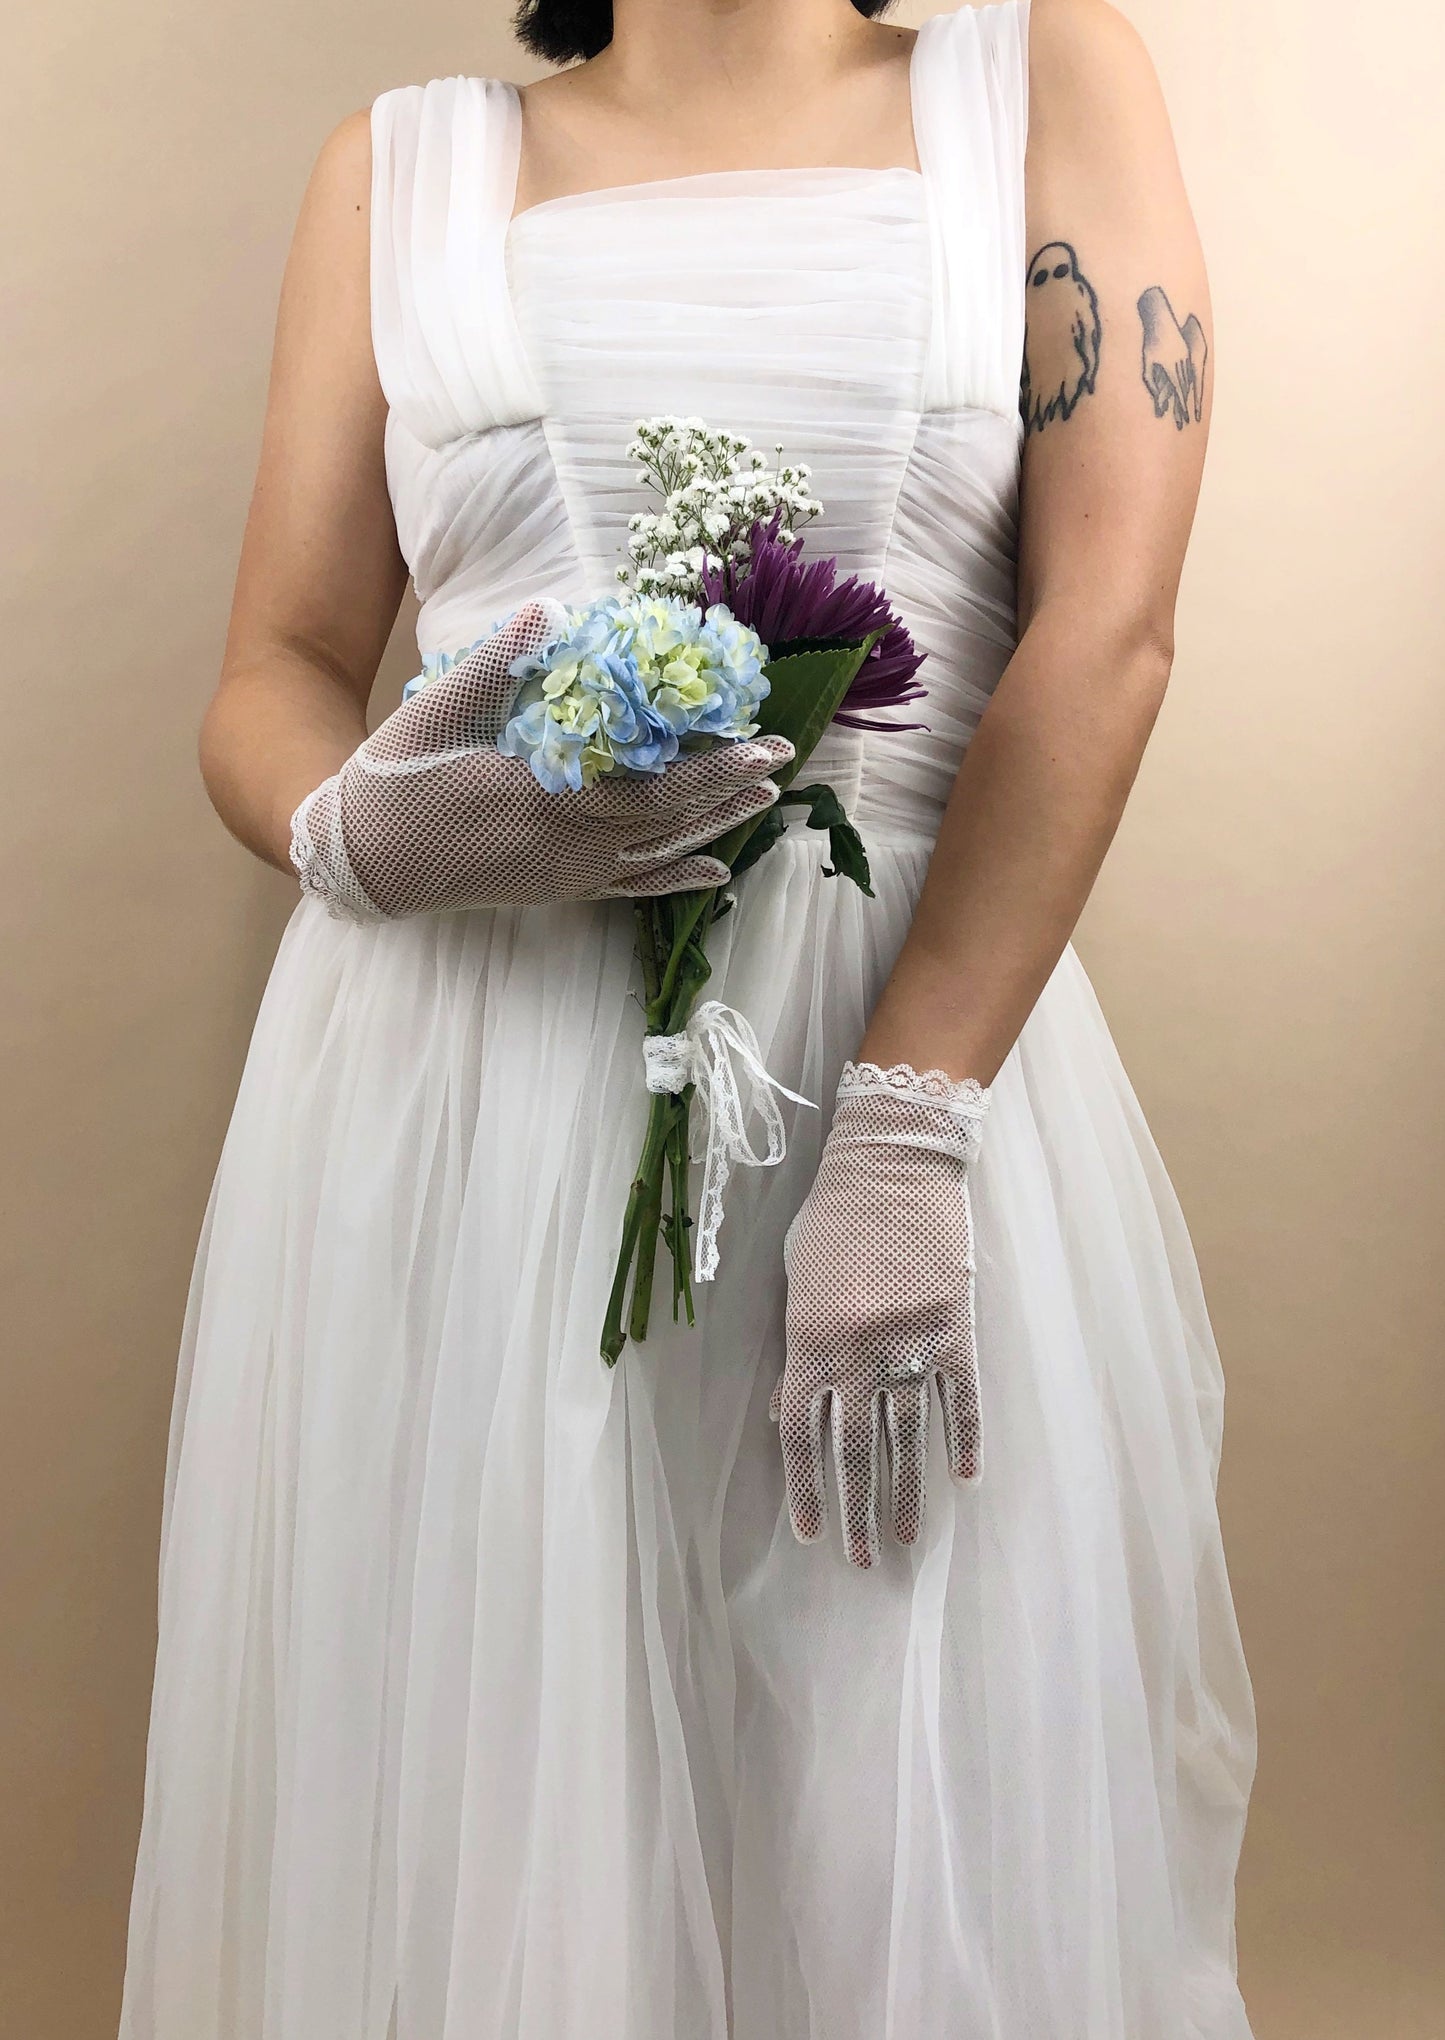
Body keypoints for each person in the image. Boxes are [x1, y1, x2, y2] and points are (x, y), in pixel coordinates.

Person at [118, 0, 1256, 2032]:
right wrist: (364, 831)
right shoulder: (395, 173)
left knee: (896, 1768)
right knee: (506, 1776)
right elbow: (274, 668)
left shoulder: (1040, 80)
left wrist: (907, 1117)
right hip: (457, 1101)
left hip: (888, 1060)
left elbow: (1111, 624)